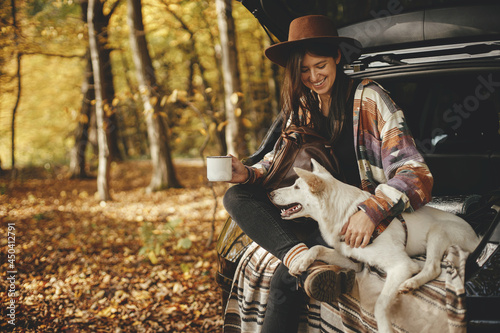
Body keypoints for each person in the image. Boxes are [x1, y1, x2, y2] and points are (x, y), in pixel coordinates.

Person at [223, 15, 433, 333]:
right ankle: (296, 256)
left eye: (320, 65)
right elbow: (278, 161)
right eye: (304, 70)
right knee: (235, 195)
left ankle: (298, 264)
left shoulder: (370, 98)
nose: (313, 76)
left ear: (336, 57)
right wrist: (248, 173)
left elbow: (415, 173)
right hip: (308, 210)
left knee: (283, 281)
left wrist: (371, 211)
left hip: (346, 218)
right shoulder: (302, 107)